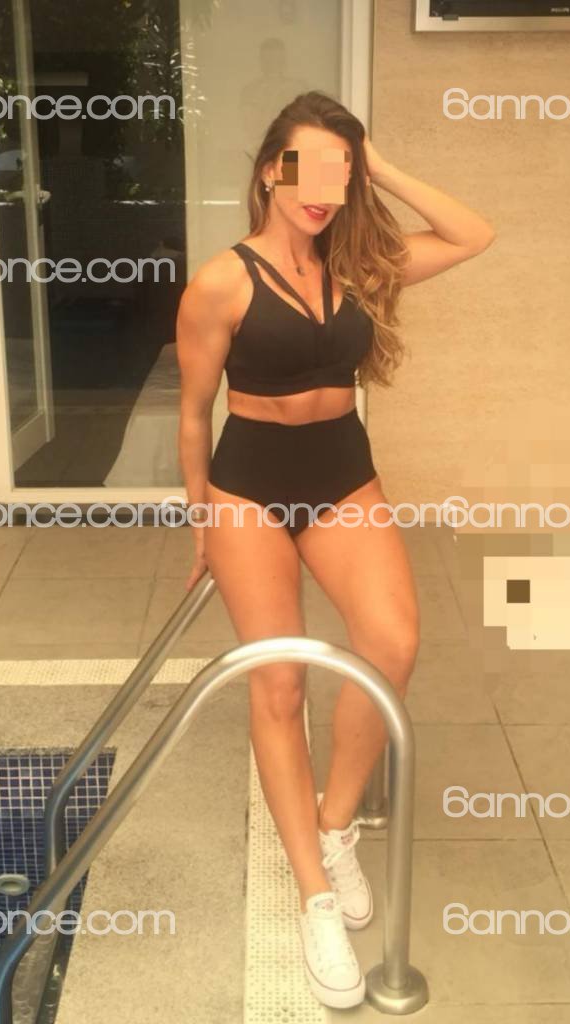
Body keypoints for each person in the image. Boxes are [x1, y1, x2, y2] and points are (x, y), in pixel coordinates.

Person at [176, 91, 495, 1008]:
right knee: (278, 684)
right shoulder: (221, 282)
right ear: (269, 171)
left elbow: (473, 234)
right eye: (305, 167)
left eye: (338, 172)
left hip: (342, 474)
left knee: (391, 642)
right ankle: (315, 895)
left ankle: (335, 825)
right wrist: (202, 518)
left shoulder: (360, 266)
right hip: (250, 485)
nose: (321, 188)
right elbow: (193, 412)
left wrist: (376, 163)